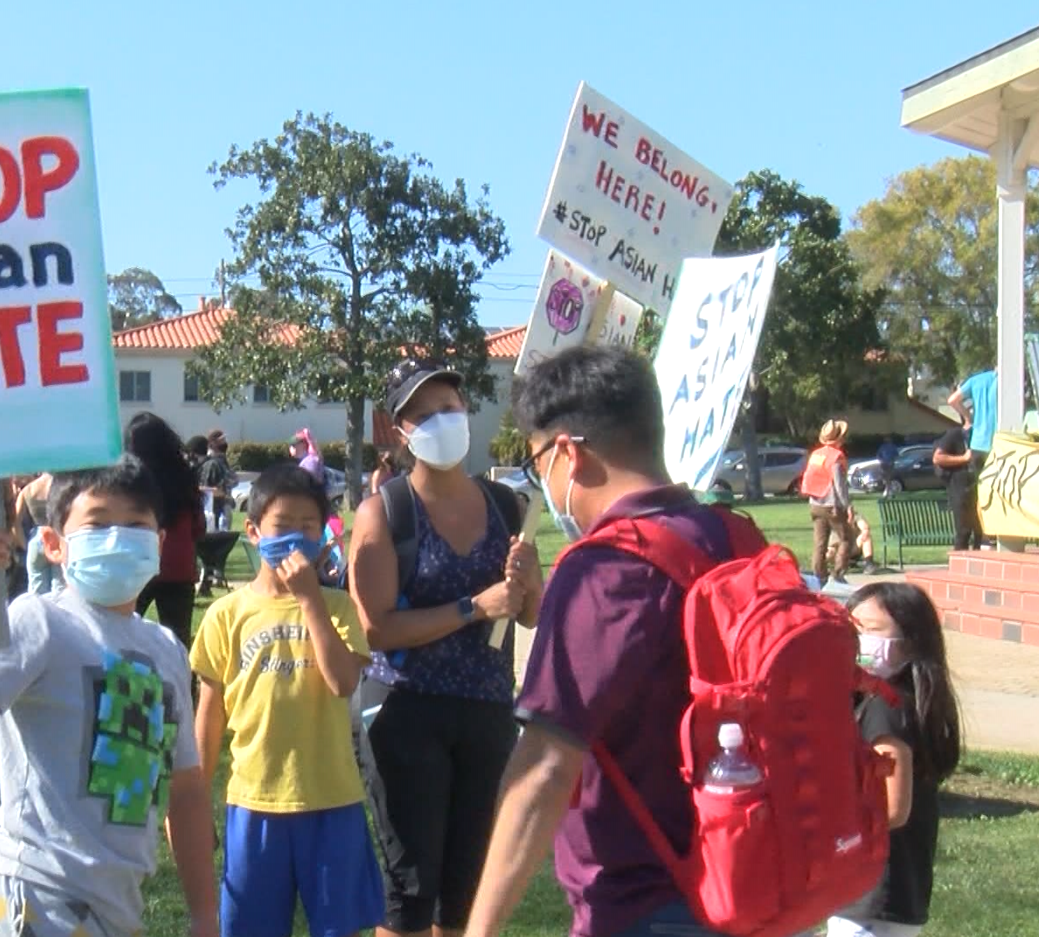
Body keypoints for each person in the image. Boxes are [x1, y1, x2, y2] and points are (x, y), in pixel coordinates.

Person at [463, 345, 759, 937]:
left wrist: (479, 929)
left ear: (568, 453)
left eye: (537, 463)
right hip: (757, 875)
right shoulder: (735, 536)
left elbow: (545, 767)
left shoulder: (605, 568)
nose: (542, 480)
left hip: (649, 900)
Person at [0, 459, 220, 937]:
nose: (117, 537)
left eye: (135, 525)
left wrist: (205, 914)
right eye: (97, 522)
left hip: (115, 909)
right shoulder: (41, 623)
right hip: (35, 897)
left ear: (158, 544)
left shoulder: (166, 651)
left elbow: (187, 788)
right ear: (53, 544)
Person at [347, 357, 541, 937]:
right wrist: (471, 608)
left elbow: (529, 613)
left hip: (485, 713)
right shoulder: (385, 512)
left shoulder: (508, 506)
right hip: (405, 713)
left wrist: (528, 578)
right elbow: (376, 628)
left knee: (465, 891)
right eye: (424, 414)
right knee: (409, 893)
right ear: (400, 430)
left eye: (450, 408)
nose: (442, 422)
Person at [191, 464, 383, 937]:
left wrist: (311, 601)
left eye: (309, 528)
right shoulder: (225, 615)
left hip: (331, 800)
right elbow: (209, 718)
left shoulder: (338, 608)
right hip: (254, 803)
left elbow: (342, 683)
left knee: (337, 927)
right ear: (253, 533)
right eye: (283, 527)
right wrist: (193, 804)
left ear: (324, 536)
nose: (296, 539)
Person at [829, 583, 963, 937]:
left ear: (911, 641)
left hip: (874, 893)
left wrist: (834, 835)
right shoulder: (902, 703)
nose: (859, 642)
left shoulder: (886, 709)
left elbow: (892, 807)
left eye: (872, 631)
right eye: (852, 629)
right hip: (893, 892)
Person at [126, 413, 205, 647]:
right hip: (179, 567)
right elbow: (198, 526)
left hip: (138, 564)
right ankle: (181, 682)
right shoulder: (184, 476)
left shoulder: (130, 480)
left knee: (122, 634)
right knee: (178, 639)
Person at [801, 419, 854, 584]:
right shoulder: (836, 457)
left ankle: (819, 576)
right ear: (840, 438)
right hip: (832, 505)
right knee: (846, 538)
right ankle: (838, 574)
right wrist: (848, 506)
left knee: (820, 542)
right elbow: (839, 485)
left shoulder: (816, 454)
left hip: (815, 503)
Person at [933, 419, 982, 551]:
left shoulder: (984, 436)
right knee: (963, 531)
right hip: (960, 488)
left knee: (981, 532)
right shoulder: (955, 435)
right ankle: (960, 562)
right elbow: (937, 458)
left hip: (980, 488)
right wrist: (963, 458)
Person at [15, 473, 61, 596]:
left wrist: (24, 544)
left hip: (35, 540)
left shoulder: (27, 489)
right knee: (59, 588)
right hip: (56, 538)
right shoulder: (60, 485)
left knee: (36, 590)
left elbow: (15, 523)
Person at [948, 369, 998, 474]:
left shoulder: (975, 380)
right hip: (999, 443)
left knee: (979, 484)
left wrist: (968, 417)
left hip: (977, 444)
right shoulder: (1005, 380)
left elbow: (952, 400)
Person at [198, 430, 237, 534]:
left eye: (224, 440)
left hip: (225, 509)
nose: (224, 443)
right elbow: (206, 489)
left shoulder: (223, 462)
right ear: (212, 444)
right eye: (221, 441)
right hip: (215, 512)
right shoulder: (212, 464)